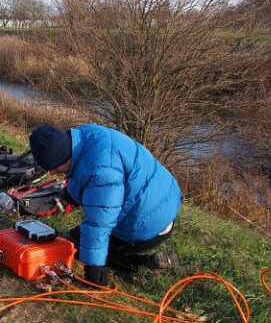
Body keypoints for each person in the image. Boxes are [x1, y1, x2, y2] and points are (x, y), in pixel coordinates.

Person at [29, 123, 181, 287]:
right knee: (75, 240)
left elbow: (99, 222)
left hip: (148, 223)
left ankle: (147, 264)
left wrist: (94, 267)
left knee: (75, 249)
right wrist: (71, 194)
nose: (52, 173)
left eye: (54, 167)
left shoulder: (102, 172)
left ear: (61, 158)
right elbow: (81, 168)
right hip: (163, 198)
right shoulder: (86, 135)